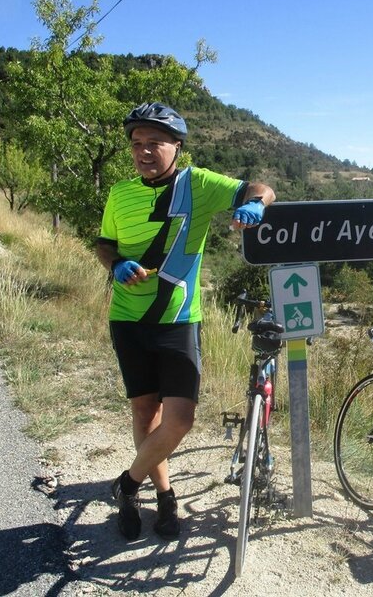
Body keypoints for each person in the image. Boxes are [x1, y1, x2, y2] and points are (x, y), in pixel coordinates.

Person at [95, 102, 275, 541]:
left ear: (177, 146)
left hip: (178, 319)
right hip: (128, 318)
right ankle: (163, 495)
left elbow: (261, 187)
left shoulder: (195, 184)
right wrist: (116, 263)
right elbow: (104, 243)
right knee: (145, 411)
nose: (144, 151)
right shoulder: (120, 193)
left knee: (180, 419)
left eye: (155, 142)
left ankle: (127, 484)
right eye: (137, 144)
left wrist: (256, 206)